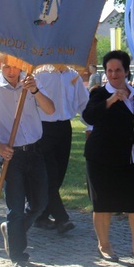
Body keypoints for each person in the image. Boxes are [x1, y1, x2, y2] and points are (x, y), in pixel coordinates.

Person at [0, 62, 54, 267]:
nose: (11, 71)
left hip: (34, 152)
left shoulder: (31, 83)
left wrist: (35, 90)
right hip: (10, 156)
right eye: (6, 66)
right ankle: (18, 257)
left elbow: (50, 109)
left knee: (40, 203)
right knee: (15, 208)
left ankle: (12, 231)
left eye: (15, 66)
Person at [82, 50, 134, 263]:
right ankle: (104, 245)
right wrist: (112, 99)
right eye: (110, 70)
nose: (114, 75)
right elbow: (89, 115)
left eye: (118, 70)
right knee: (103, 204)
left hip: (129, 157)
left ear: (126, 71)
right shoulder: (98, 93)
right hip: (101, 158)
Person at [33, 64, 89, 234]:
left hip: (64, 127)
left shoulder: (73, 75)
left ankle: (39, 213)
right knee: (49, 174)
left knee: (59, 174)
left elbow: (83, 103)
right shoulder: (40, 74)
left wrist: (91, 125)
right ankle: (61, 218)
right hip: (43, 128)